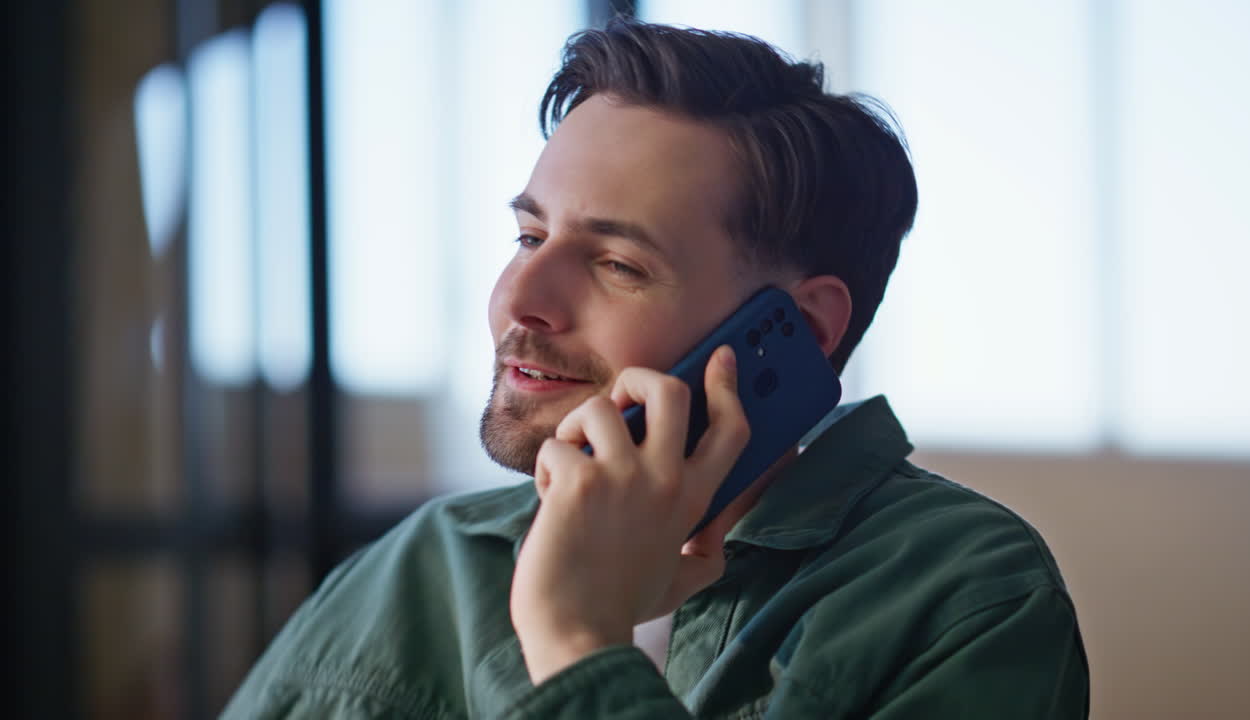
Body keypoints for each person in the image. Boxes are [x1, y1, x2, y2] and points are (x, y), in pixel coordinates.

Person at [224, 18, 1088, 719]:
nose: (520, 297)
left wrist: (573, 642)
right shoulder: (416, 569)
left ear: (804, 329)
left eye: (617, 265)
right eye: (528, 237)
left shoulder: (967, 597)